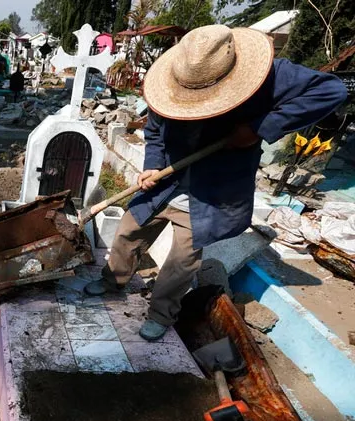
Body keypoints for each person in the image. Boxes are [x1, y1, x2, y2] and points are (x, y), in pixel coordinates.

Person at [85, 24, 347, 341]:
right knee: (129, 228)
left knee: (181, 262)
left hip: (210, 194)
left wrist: (260, 127)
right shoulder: (171, 82)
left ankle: (160, 314)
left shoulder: (270, 77)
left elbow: (332, 91)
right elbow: (155, 131)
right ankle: (114, 279)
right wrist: (152, 166)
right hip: (166, 183)